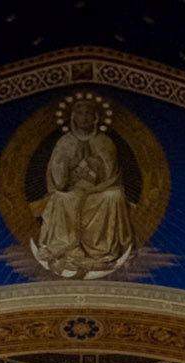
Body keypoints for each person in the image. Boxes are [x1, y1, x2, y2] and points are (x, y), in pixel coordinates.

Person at [33, 98, 133, 278]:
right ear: (73, 116)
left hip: (99, 191)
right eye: (80, 113)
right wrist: (67, 165)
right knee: (60, 198)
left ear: (95, 117)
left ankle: (101, 251)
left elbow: (113, 176)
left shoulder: (104, 141)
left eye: (88, 114)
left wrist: (96, 168)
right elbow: (57, 180)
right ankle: (66, 249)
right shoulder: (65, 142)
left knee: (114, 196)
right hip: (71, 190)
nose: (84, 117)